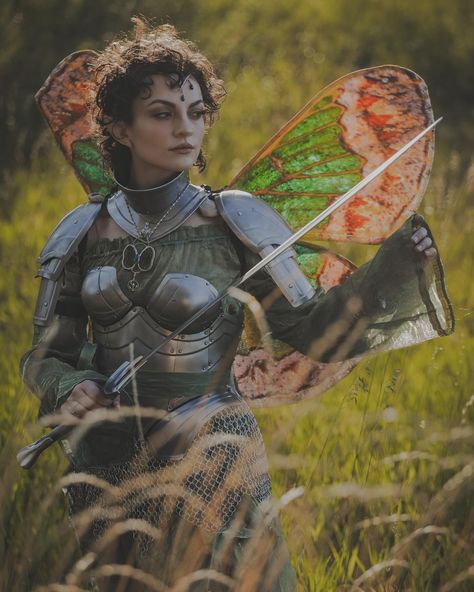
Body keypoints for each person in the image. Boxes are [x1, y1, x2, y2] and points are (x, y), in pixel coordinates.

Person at [20, 19, 451, 592]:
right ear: (120, 128)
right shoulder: (81, 231)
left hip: (214, 461)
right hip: (107, 468)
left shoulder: (236, 220)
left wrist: (385, 277)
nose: (185, 129)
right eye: (162, 113)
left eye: (196, 112)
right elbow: (45, 355)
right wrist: (67, 385)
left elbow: (312, 330)